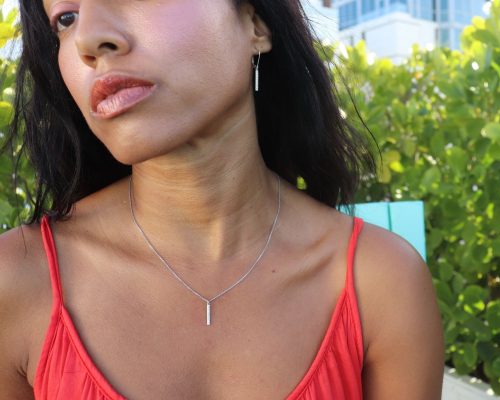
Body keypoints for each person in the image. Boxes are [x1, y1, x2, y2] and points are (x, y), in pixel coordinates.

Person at [0, 0, 445, 398]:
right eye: (66, 18)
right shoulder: (16, 282)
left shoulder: (381, 284)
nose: (89, 40)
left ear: (255, 24)